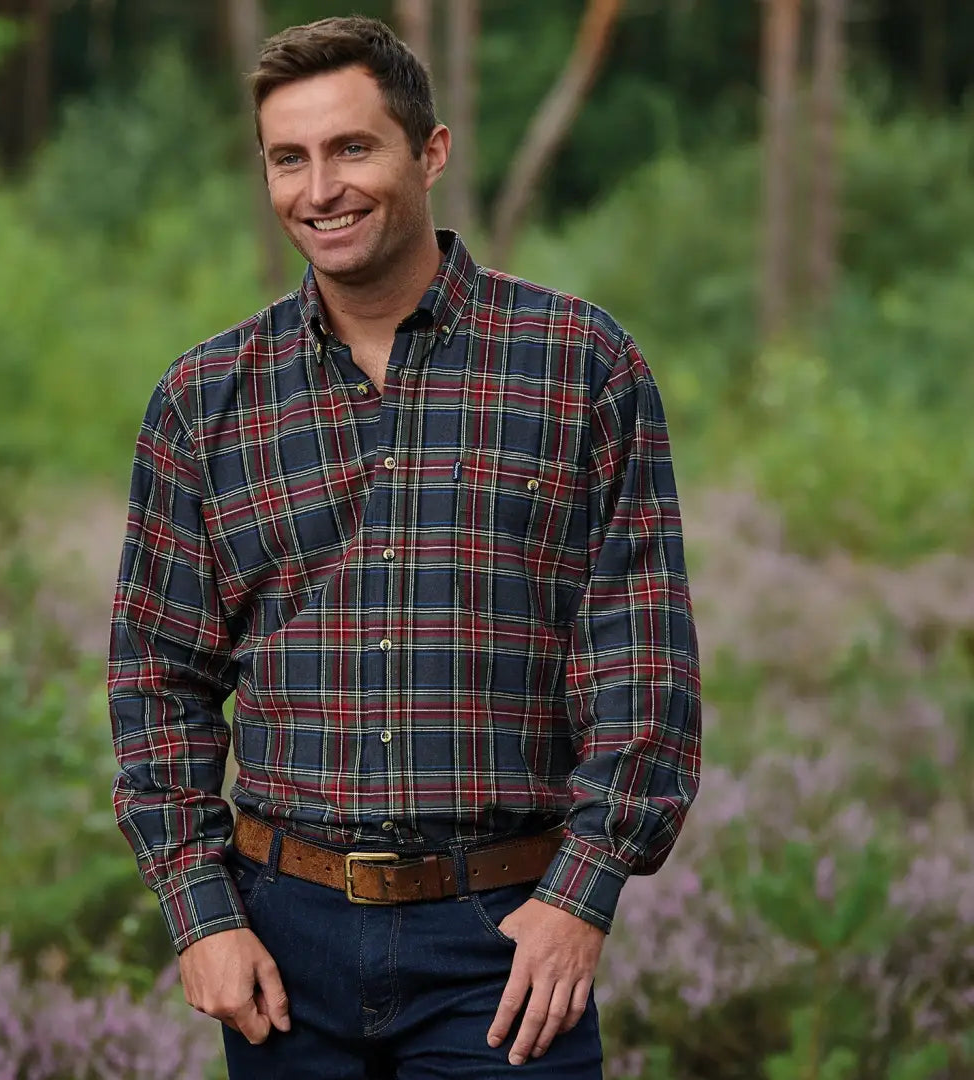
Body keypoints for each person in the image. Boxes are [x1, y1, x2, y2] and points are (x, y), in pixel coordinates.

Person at [108, 15, 700, 1079]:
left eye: (352, 148)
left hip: (503, 950)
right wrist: (200, 914)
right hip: (282, 951)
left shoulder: (580, 368)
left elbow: (641, 665)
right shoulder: (205, 401)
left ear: (431, 151)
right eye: (289, 158)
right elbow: (158, 677)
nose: (319, 187)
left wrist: (581, 897)